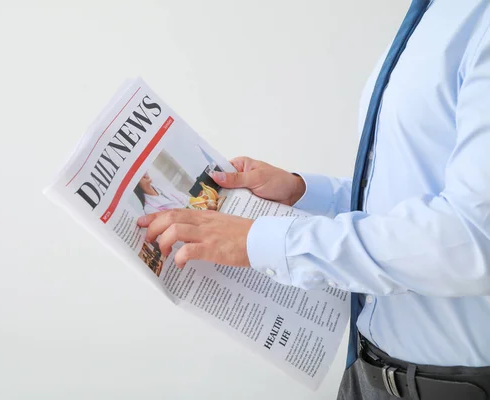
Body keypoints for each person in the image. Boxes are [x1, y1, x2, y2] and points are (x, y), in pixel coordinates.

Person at [138, 1, 490, 399]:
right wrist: (304, 191)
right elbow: (413, 196)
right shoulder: (436, 12)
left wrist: (261, 241)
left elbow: (471, 239)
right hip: (369, 371)